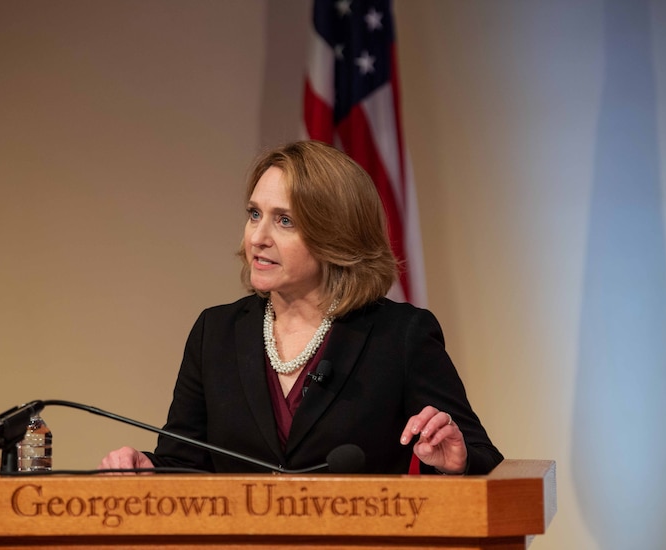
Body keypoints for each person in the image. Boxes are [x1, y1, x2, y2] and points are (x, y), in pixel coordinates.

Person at [100, 140, 502, 475]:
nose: (257, 237)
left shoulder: (399, 336)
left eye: (285, 221)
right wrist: (146, 467)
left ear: (336, 235)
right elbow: (183, 464)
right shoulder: (215, 333)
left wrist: (457, 461)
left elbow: (484, 458)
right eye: (254, 214)